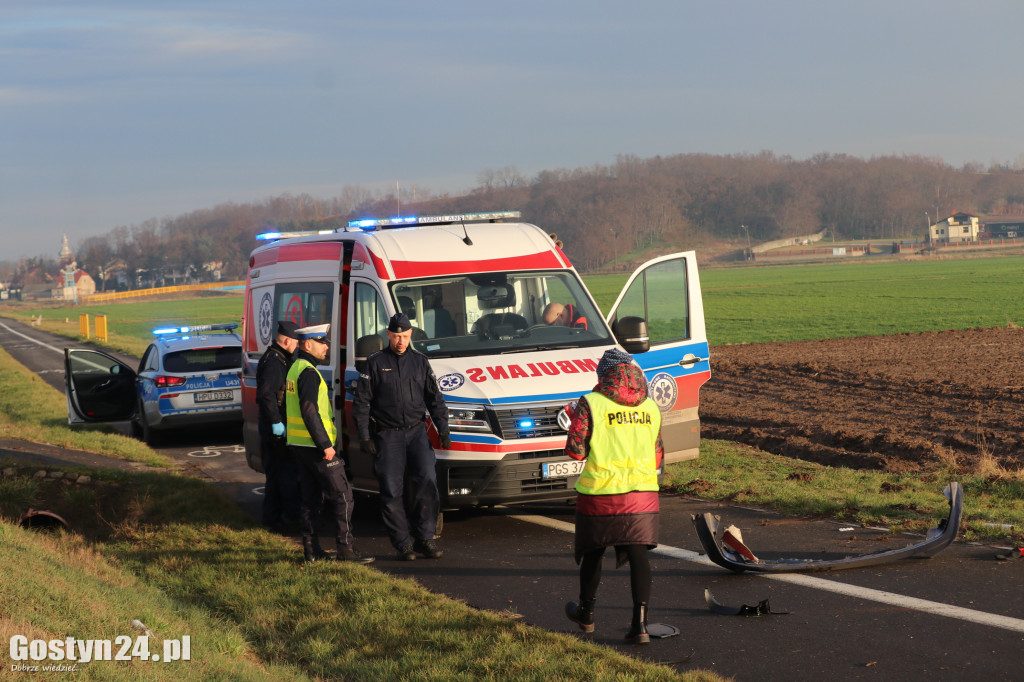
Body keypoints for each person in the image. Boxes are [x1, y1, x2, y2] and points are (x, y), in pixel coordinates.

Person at [563, 348, 663, 644]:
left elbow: (575, 451)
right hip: (642, 495)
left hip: (600, 493)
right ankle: (641, 625)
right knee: (638, 554)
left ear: (604, 375)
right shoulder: (651, 407)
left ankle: (587, 614)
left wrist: (574, 419)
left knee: (594, 552)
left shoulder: (591, 403)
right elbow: (657, 456)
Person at [353, 312, 451, 561]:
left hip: (417, 432)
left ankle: (425, 539)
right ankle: (403, 544)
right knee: (391, 490)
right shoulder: (374, 363)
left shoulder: (420, 362)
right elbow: (362, 402)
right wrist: (364, 436)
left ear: (410, 336)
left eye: (405, 336)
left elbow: (434, 399)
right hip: (388, 435)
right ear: (388, 335)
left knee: (427, 482)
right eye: (397, 336)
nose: (401, 341)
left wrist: (444, 429)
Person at [285, 323, 373, 564]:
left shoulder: (295, 368)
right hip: (316, 448)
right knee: (343, 496)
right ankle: (345, 551)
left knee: (311, 499)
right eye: (321, 342)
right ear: (307, 344)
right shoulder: (309, 373)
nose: (326, 347)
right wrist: (325, 445)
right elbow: (309, 410)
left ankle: (311, 552)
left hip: (299, 445)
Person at [256, 320, 301, 530]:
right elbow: (266, 394)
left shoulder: (278, 357)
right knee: (284, 474)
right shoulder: (275, 362)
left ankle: (272, 519)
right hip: (275, 427)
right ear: (287, 340)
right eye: (296, 342)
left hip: (274, 425)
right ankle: (285, 519)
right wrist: (276, 423)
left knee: (276, 474)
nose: (298, 346)